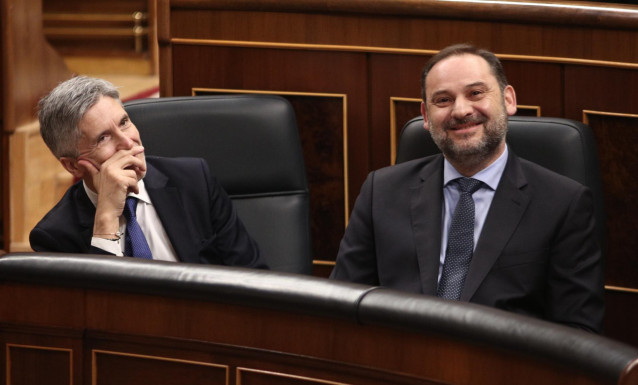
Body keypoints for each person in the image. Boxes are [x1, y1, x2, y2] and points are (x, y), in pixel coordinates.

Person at [330, 44, 604, 333]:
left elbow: (577, 333)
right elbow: (341, 305)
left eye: (475, 93)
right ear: (425, 115)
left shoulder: (563, 203)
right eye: (443, 100)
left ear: (508, 99)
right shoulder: (381, 191)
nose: (461, 111)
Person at [30, 76, 267, 269]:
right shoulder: (54, 237)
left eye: (124, 122)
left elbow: (253, 275)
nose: (128, 142)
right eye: (103, 138)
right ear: (72, 166)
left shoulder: (194, 180)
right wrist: (106, 220)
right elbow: (95, 316)